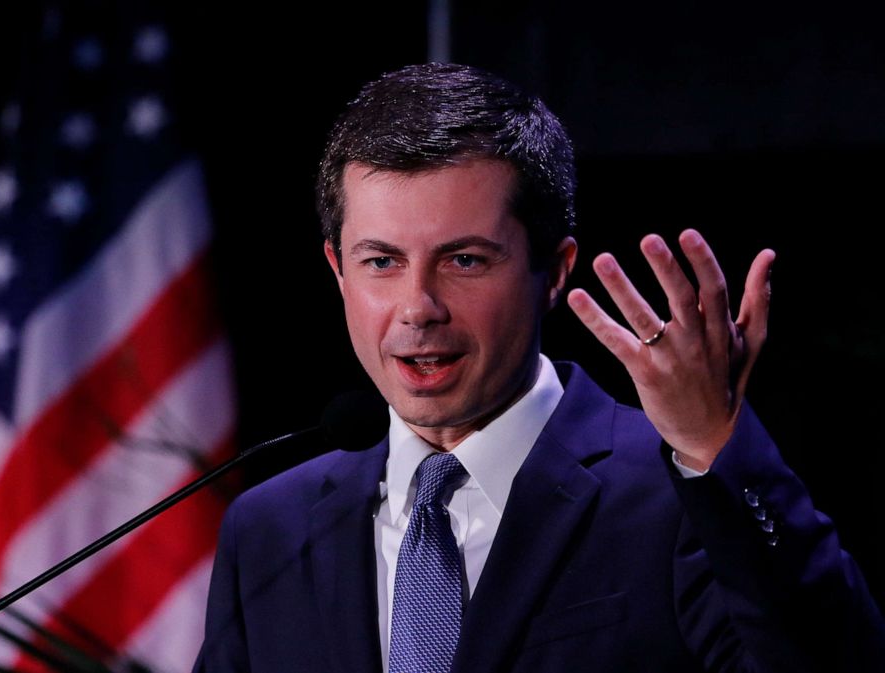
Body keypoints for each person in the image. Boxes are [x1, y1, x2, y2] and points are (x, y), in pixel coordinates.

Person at [194, 63, 884, 672]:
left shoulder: (680, 496)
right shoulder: (270, 529)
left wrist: (714, 445)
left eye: (464, 260)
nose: (419, 307)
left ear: (552, 271)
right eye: (382, 261)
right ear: (337, 270)